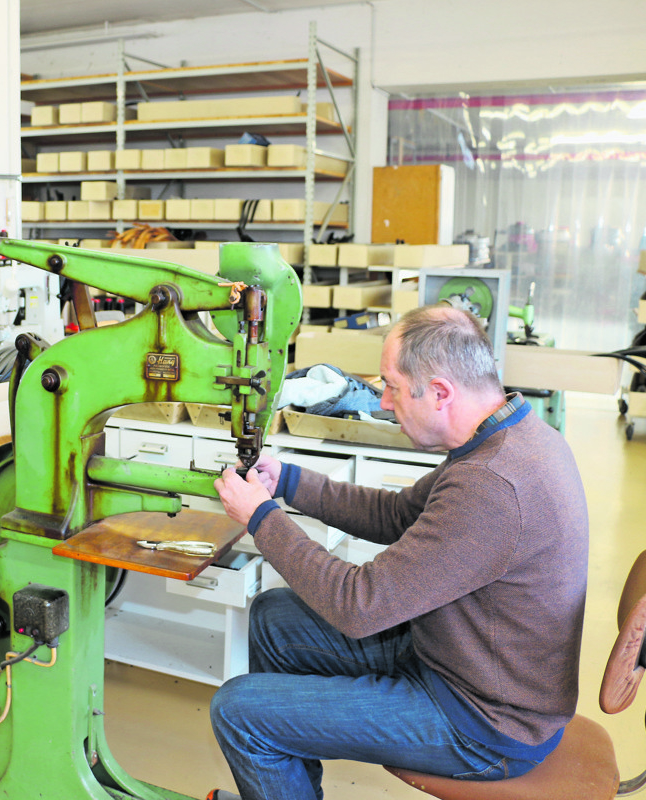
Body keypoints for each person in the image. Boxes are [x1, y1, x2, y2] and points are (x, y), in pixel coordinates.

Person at [208, 305, 589, 800]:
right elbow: (396, 514)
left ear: (440, 392)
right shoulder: (504, 439)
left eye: (391, 385)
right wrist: (288, 482)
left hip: (484, 721)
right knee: (273, 616)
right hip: (457, 659)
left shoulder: (493, 484)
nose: (384, 402)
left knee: (238, 713)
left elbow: (359, 605)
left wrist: (261, 518)